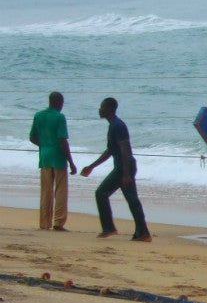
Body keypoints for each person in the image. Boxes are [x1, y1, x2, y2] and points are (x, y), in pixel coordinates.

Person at [80, 97, 152, 241]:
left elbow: (125, 149)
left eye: (102, 107)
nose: (100, 109)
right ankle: (142, 232)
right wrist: (91, 167)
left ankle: (109, 228)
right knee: (132, 199)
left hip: (124, 167)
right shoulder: (113, 125)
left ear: (110, 109)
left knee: (101, 193)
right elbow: (110, 151)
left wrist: (126, 174)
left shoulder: (117, 126)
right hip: (124, 166)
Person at [29, 91, 77, 230]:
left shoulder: (38, 115)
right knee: (60, 191)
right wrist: (71, 162)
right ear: (59, 103)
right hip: (58, 157)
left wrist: (44, 145)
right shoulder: (59, 117)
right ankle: (58, 222)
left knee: (46, 191)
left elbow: (32, 137)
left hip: (44, 156)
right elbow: (63, 140)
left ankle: (44, 223)